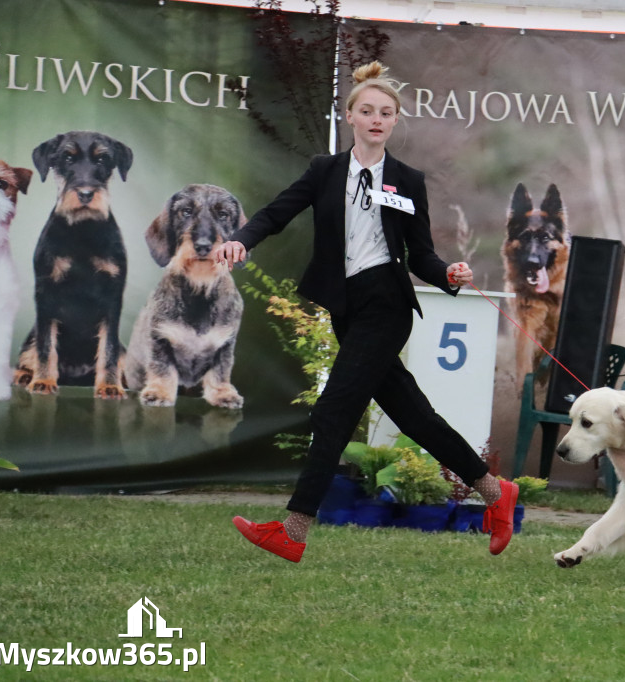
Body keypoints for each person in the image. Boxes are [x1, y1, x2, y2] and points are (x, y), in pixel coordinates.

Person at [214, 61, 518, 562]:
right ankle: (493, 490)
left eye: (387, 113)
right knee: (413, 415)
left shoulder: (407, 179)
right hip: (346, 305)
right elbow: (275, 213)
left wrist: (449, 275)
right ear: (350, 116)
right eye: (367, 111)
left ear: (394, 122)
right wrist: (240, 241)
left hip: (387, 302)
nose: (377, 119)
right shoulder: (324, 171)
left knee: (335, 409)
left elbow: (419, 254)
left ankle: (293, 529)